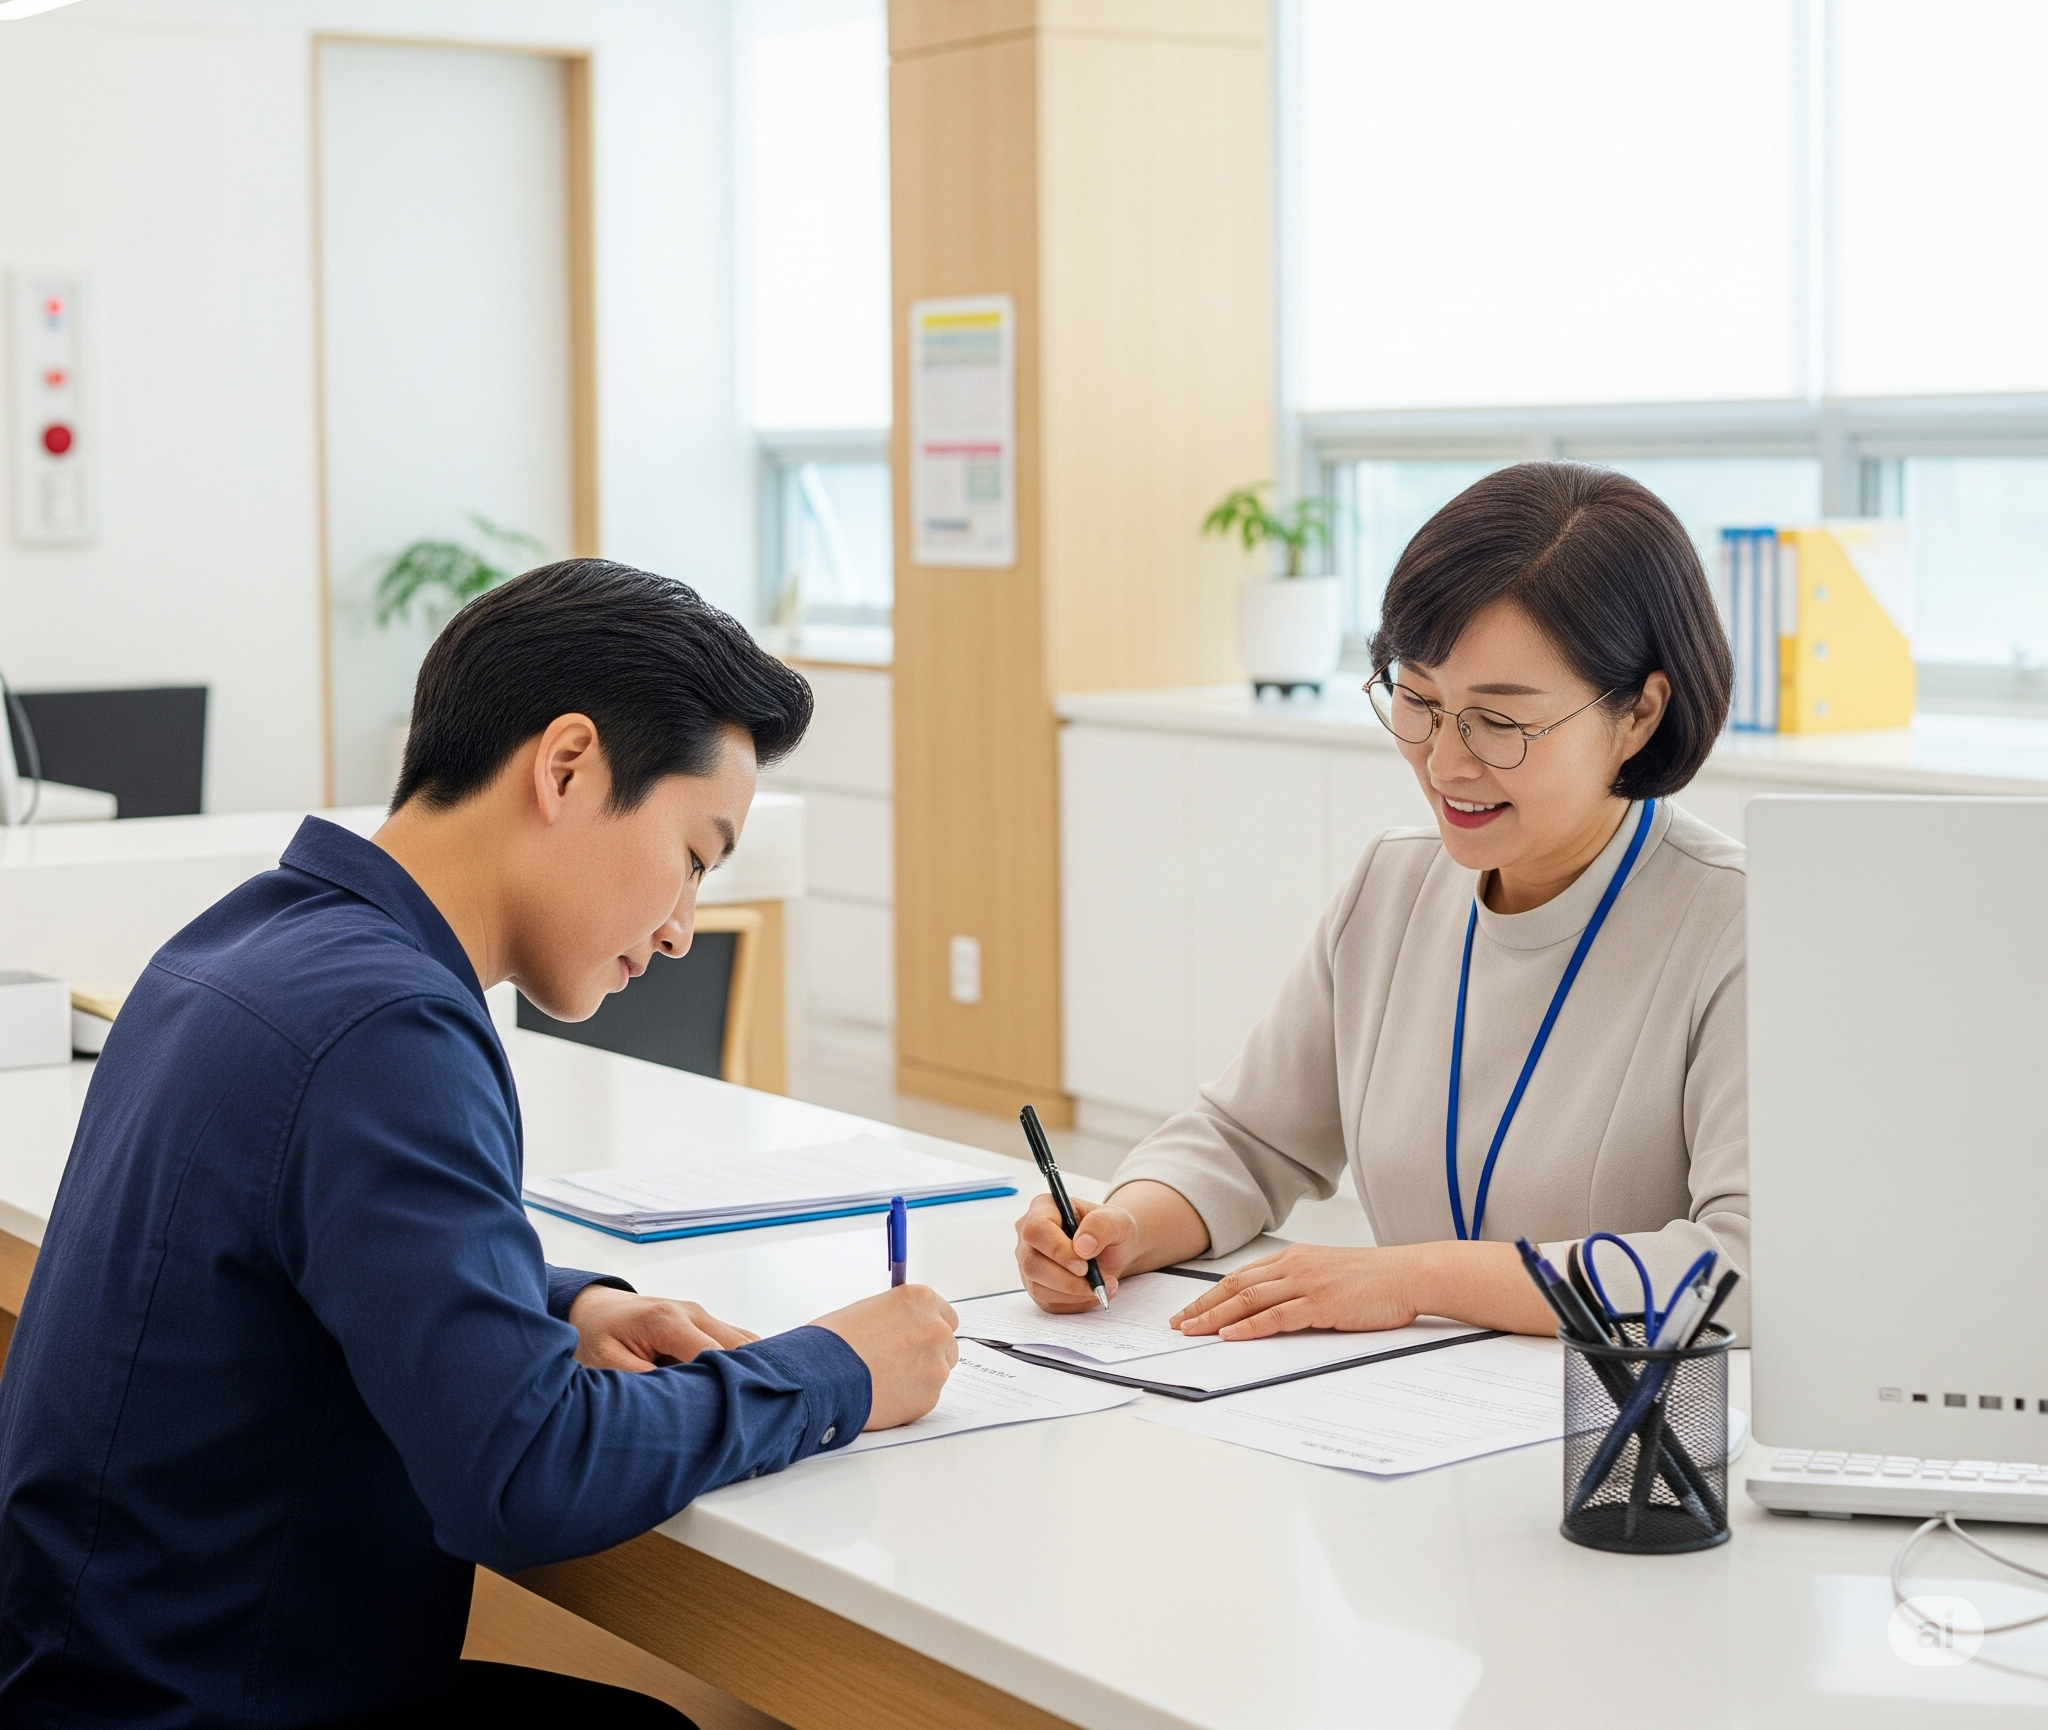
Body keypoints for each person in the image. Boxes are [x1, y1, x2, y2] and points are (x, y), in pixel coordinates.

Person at [0, 561, 959, 1727]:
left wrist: (557, 1303)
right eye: (695, 855)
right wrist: (837, 1371)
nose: (677, 927)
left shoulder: (248, 941)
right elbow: (524, 1472)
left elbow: (283, 1237)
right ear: (565, 765)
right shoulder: (391, 1024)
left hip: (87, 1669)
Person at [1016, 462, 1747, 1345]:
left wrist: (1415, 1277)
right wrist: (1124, 1227)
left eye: (1500, 721)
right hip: (1407, 1429)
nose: (1445, 762)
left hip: (1618, 1451)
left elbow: (1737, 1269)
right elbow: (1248, 1139)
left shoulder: (1736, 927)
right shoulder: (1394, 888)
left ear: (1639, 713)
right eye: (1419, 700)